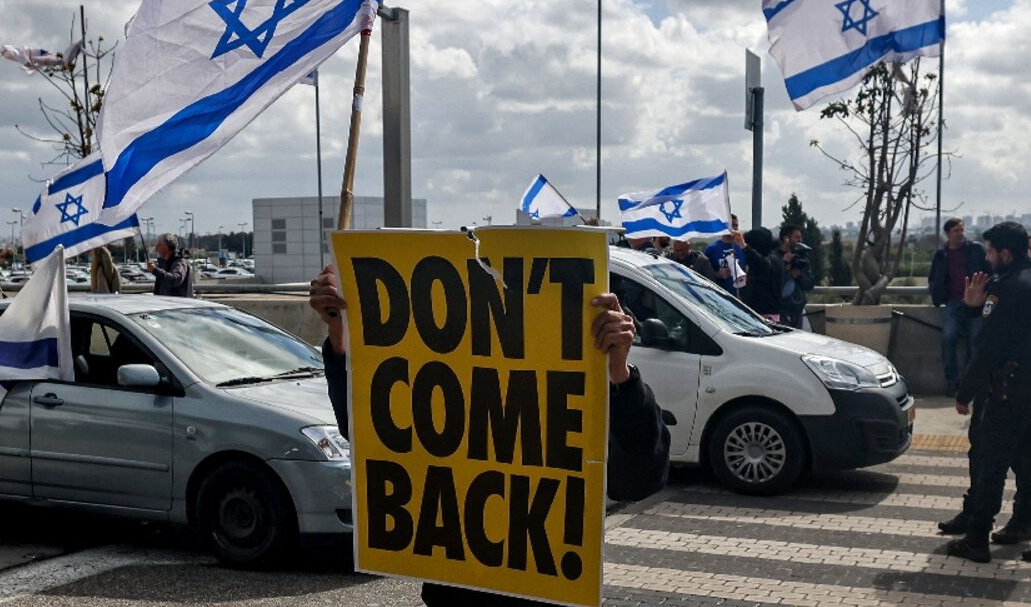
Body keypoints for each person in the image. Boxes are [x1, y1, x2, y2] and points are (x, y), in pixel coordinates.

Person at [309, 265, 671, 606]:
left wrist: (619, 373)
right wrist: (340, 333)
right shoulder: (448, 386)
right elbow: (370, 432)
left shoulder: (584, 392)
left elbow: (637, 481)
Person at [946, 221, 1031, 564]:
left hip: (1009, 392)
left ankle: (976, 538)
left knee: (991, 462)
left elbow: (988, 348)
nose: (989, 258)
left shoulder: (1006, 288)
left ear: (1005, 253)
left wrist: (965, 391)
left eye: (991, 252)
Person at [928, 218, 990, 397]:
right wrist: (936, 293)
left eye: (962, 230)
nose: (961, 233)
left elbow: (989, 270)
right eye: (956, 230)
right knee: (948, 338)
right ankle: (952, 381)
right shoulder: (941, 254)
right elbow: (933, 277)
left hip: (976, 304)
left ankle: (969, 383)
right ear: (947, 233)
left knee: (975, 343)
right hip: (953, 303)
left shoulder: (975, 249)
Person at [773, 224, 815, 328]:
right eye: (796, 237)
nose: (799, 240)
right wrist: (785, 266)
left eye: (800, 237)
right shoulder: (774, 257)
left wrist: (798, 275)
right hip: (780, 310)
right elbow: (773, 281)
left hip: (797, 309)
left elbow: (809, 284)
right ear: (786, 239)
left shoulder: (802, 257)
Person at [739, 227, 783, 323]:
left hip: (767, 318)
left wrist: (745, 248)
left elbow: (761, 264)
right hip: (754, 315)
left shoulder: (773, 260)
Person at [704, 214, 748, 296]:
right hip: (719, 296)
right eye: (732, 226)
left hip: (742, 298)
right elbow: (704, 275)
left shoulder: (743, 248)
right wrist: (718, 275)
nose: (734, 229)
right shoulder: (711, 249)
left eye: (736, 226)